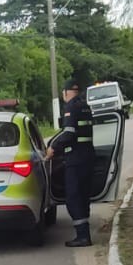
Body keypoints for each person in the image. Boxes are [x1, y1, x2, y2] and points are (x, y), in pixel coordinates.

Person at [44, 78, 95, 248]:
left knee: (73, 198)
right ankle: (84, 233)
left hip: (75, 159)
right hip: (87, 156)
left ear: (65, 92)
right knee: (83, 196)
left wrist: (52, 147)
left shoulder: (71, 107)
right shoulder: (85, 106)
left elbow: (69, 133)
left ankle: (82, 237)